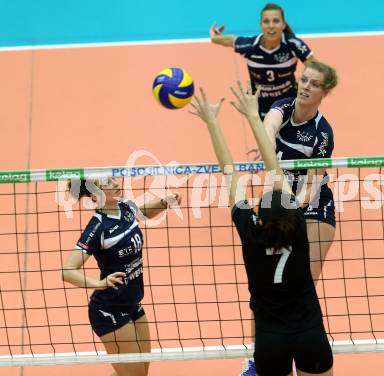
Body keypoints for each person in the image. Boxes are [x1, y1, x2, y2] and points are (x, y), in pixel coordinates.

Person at [189, 84, 333, 376]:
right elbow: (275, 171)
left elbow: (230, 172)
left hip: (270, 341)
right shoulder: (299, 228)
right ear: (292, 210)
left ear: (259, 216)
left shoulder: (252, 236)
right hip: (309, 333)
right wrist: (254, 117)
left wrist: (212, 123)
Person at [62, 177, 181, 376]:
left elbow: (141, 212)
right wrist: (99, 283)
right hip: (109, 310)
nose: (115, 183)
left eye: (112, 179)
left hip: (133, 302)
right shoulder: (98, 227)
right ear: (95, 195)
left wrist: (164, 202)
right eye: (107, 184)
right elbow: (68, 270)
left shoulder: (125, 206)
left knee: (141, 370)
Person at [262, 60, 338, 285]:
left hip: (314, 205)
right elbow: (268, 128)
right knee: (269, 285)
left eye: (314, 84)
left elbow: (310, 189)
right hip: (280, 202)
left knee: (304, 286)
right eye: (304, 80)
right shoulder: (282, 108)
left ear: (324, 92)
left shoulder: (322, 134)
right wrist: (267, 146)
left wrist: (289, 209)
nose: (306, 86)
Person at [210, 3, 315, 120]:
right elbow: (230, 40)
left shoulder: (293, 44)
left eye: (276, 21)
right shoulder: (250, 46)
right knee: (265, 137)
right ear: (261, 25)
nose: (271, 26)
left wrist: (304, 85)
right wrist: (215, 38)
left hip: (289, 103)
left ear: (283, 24)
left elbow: (315, 68)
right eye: (266, 21)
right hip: (260, 107)